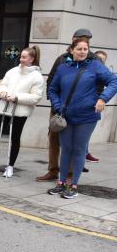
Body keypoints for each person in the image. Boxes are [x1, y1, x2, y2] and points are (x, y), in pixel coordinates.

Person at [46, 37, 117, 199]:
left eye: (85, 49)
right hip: (66, 116)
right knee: (66, 149)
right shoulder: (63, 68)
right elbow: (53, 89)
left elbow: (114, 81)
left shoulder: (95, 66)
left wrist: (102, 98)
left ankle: (74, 185)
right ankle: (61, 182)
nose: (83, 52)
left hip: (87, 116)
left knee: (78, 150)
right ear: (72, 50)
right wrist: (58, 106)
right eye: (79, 49)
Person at [0, 46, 45, 178]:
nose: (21, 59)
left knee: (15, 138)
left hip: (20, 110)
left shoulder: (37, 77)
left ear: (32, 59)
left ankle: (10, 166)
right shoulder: (12, 71)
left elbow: (36, 97)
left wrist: (17, 98)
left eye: (24, 57)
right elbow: (3, 84)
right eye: (21, 57)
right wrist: (3, 93)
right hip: (4, 107)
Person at [36, 28, 95, 182]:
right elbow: (51, 81)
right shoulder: (62, 59)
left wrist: (97, 101)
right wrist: (55, 104)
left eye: (86, 41)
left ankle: (69, 174)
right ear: (73, 39)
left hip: (79, 110)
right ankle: (53, 170)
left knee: (73, 144)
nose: (83, 46)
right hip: (58, 108)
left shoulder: (93, 61)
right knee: (54, 139)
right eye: (80, 39)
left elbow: (100, 85)